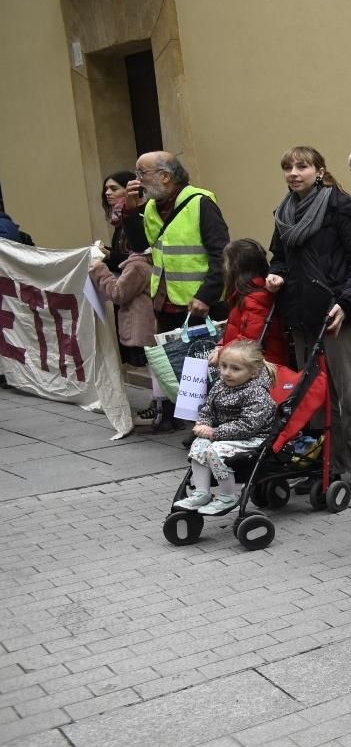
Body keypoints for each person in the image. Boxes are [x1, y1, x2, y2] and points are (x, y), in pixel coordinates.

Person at [265, 146, 351, 495]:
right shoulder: (284, 212)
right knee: (310, 394)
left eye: (302, 166)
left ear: (319, 170)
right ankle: (323, 462)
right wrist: (275, 276)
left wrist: (347, 302)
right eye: (288, 167)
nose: (294, 173)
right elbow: (279, 258)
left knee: (349, 391)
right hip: (301, 312)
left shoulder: (341, 208)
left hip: (337, 314)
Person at [122, 151, 231, 328]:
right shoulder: (151, 206)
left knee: (205, 356)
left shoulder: (200, 203)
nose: (137, 181)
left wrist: (206, 296)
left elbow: (222, 255)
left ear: (165, 176)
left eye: (142, 173)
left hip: (201, 305)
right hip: (164, 306)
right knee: (174, 357)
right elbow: (139, 245)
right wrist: (130, 211)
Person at [174, 340, 278, 517]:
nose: (226, 372)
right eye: (223, 366)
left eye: (235, 369)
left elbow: (248, 425)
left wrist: (215, 432)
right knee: (199, 445)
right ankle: (201, 492)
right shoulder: (221, 385)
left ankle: (229, 497)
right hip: (225, 433)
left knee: (215, 451)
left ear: (253, 373)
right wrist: (203, 424)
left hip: (253, 437)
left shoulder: (257, 393)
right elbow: (208, 408)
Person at [89, 226, 159, 425]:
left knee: (153, 366)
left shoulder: (136, 266)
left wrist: (100, 269)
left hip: (141, 322)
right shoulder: (149, 261)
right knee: (154, 366)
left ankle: (158, 406)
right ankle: (159, 405)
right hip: (148, 320)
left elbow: (118, 293)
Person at [216, 239, 294, 369]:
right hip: (248, 365)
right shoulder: (249, 294)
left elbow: (249, 341)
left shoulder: (255, 298)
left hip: (260, 369)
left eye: (226, 263)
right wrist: (221, 345)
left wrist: (222, 352)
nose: (224, 268)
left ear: (236, 268)